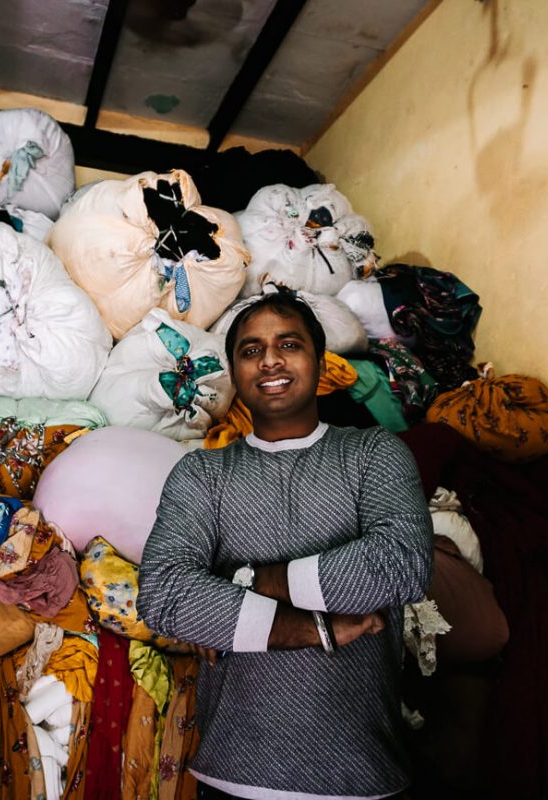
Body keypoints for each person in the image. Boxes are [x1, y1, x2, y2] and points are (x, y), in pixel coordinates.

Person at [138, 290, 434, 800]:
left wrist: (242, 583)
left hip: (362, 775)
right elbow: (165, 594)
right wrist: (316, 630)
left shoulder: (373, 453)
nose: (269, 359)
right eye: (250, 350)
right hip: (233, 774)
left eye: (288, 344)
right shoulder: (203, 474)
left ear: (320, 363)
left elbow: (399, 564)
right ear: (234, 372)